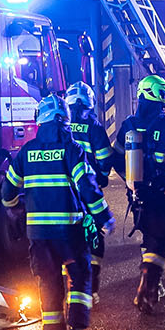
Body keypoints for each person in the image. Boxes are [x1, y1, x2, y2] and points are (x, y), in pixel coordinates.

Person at [0, 96, 107, 330]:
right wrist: (103, 216)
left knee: (48, 284)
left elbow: (8, 190)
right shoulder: (72, 148)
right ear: (63, 118)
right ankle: (77, 326)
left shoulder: (27, 151)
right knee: (80, 275)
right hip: (69, 232)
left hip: (39, 235)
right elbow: (87, 186)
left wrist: (13, 207)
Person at [112, 73, 165, 313]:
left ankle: (153, 282)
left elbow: (116, 159)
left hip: (137, 196)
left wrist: (130, 183)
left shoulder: (128, 125)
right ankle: (149, 284)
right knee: (162, 240)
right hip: (161, 194)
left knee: (148, 237)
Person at [63, 81, 114, 294]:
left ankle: (68, 285)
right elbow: (105, 159)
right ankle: (91, 289)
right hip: (88, 189)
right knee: (93, 236)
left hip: (64, 192)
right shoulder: (94, 126)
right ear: (89, 103)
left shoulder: (61, 125)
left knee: (68, 236)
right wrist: (101, 177)